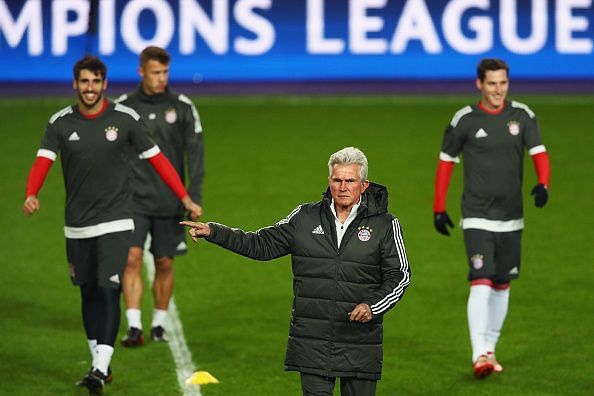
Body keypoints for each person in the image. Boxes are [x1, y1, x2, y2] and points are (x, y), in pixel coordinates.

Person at [22, 55, 201, 395]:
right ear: (75, 84)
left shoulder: (125, 119)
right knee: (88, 291)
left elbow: (159, 160)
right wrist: (32, 193)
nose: (90, 88)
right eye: (84, 82)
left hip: (117, 220)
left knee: (108, 288)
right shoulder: (60, 122)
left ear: (105, 84)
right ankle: (99, 364)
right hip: (76, 224)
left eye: (96, 82)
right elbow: (43, 161)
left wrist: (185, 197)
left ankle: (100, 366)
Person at [182, 147, 411, 396]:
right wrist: (215, 232)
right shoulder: (305, 218)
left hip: (359, 343)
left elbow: (399, 274)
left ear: (364, 185)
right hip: (312, 341)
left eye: (350, 181)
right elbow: (261, 244)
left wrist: (372, 306)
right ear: (329, 181)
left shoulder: (385, 225)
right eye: (337, 180)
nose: (343, 187)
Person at [432, 58, 551, 379]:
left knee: (502, 283)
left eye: (503, 83)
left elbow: (539, 152)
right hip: (477, 215)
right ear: (479, 84)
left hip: (512, 216)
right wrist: (439, 207)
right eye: (492, 83)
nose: (498, 90)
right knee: (481, 280)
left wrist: (543, 183)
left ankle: (490, 350)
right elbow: (446, 162)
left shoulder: (522, 116)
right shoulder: (465, 120)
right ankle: (478, 355)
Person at [115, 46, 204, 346]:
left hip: (169, 200)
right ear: (141, 72)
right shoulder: (123, 108)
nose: (161, 78)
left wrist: (194, 196)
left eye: (165, 72)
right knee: (131, 258)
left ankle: (160, 323)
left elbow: (196, 155)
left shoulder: (182, 106)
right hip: (132, 199)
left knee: (164, 262)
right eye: (156, 73)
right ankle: (134, 325)